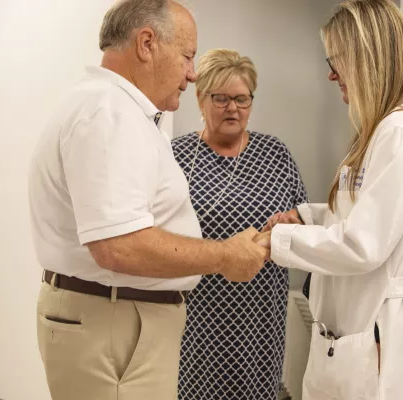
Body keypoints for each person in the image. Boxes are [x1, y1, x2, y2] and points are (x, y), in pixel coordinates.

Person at [28, 1, 268, 399]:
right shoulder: (108, 114)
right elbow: (118, 246)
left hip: (120, 319)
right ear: (146, 44)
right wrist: (225, 255)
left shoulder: (121, 111)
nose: (192, 74)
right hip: (115, 324)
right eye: (188, 57)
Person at [257, 0, 403, 398]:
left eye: (336, 60)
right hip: (358, 330)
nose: (331, 75)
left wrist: (274, 243)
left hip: (376, 332)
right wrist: (307, 218)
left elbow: (364, 243)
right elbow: (367, 211)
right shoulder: (386, 127)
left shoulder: (400, 131)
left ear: (367, 57)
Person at [171, 49, 309, 400]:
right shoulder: (176, 156)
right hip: (198, 316)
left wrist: (292, 222)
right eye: (221, 98)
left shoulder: (276, 154)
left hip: (260, 317)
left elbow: (305, 222)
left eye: (242, 99)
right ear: (201, 100)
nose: (232, 108)